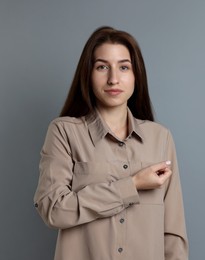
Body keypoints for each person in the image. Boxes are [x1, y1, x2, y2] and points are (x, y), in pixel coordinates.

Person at [33, 26, 188, 260]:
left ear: (136, 75)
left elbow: (173, 232)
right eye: (102, 67)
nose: (113, 78)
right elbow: (53, 210)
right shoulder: (64, 132)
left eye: (124, 67)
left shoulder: (160, 138)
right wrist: (131, 185)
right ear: (88, 73)